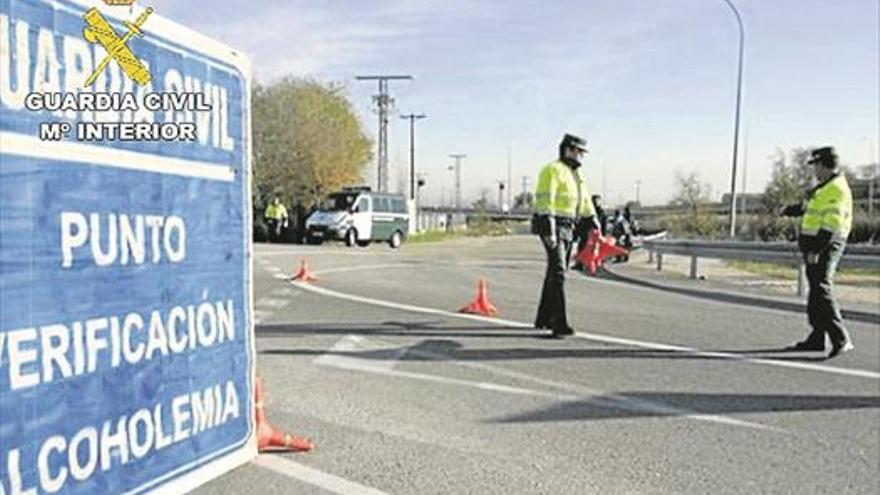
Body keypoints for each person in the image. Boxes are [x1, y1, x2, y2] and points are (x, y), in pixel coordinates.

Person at [781, 146, 854, 358]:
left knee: (821, 287)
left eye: (816, 166)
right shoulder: (823, 188)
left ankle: (841, 338)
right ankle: (817, 337)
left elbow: (831, 224)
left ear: (824, 165)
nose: (814, 171)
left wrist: (816, 249)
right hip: (817, 245)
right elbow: (809, 208)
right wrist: (790, 210)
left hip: (826, 245)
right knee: (815, 289)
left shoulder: (836, 189)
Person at [533, 133, 600, 338]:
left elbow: (585, 202)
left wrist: (594, 222)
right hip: (553, 226)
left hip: (569, 227)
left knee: (555, 273)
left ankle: (544, 318)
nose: (581, 156)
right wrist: (549, 229)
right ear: (568, 149)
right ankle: (558, 322)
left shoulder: (577, 175)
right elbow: (546, 201)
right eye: (579, 151)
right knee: (559, 272)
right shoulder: (553, 170)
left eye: (582, 152)